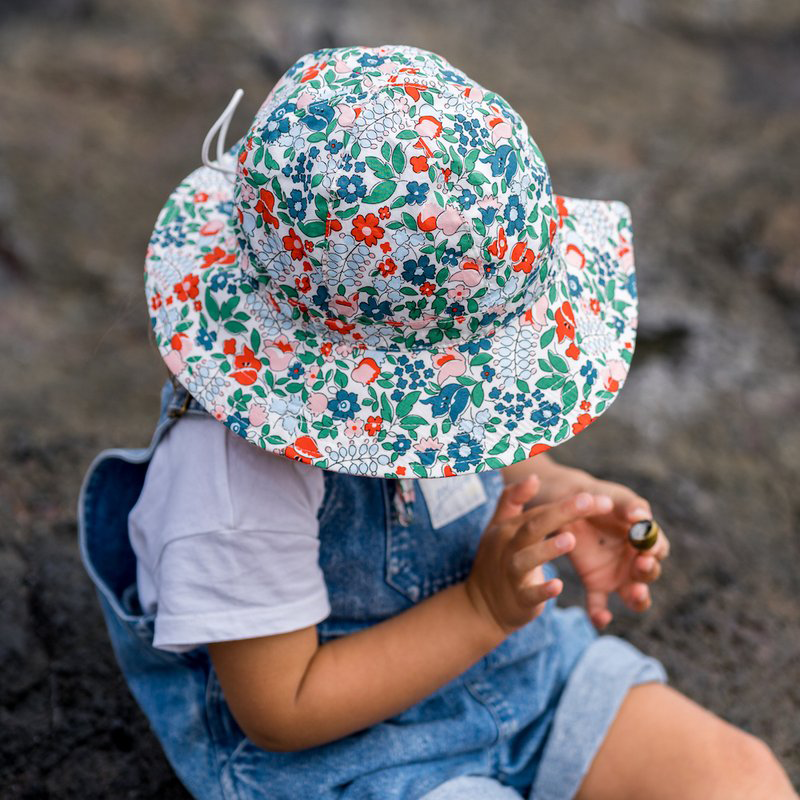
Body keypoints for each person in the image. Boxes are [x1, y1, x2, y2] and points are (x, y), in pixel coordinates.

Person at [77, 45, 798, 800]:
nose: (469, 403)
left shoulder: (437, 387)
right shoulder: (232, 480)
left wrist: (561, 498)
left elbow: (494, 457)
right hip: (350, 755)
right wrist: (483, 608)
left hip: (520, 678)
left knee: (735, 777)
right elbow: (281, 710)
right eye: (461, 381)